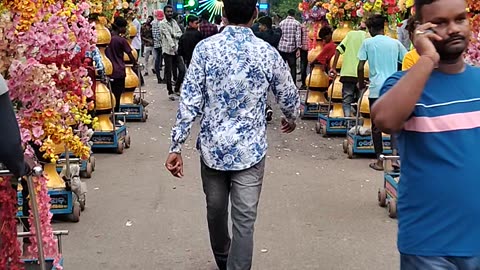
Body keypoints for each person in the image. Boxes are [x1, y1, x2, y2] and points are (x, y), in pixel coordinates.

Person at [165, 0, 300, 269]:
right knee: (245, 218)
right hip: (251, 150)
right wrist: (291, 117)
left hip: (213, 149)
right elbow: (288, 94)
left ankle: (225, 259)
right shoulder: (266, 52)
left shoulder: (205, 49)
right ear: (255, 14)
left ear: (223, 15)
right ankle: (234, 264)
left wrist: (176, 145)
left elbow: (189, 99)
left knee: (215, 211)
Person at [372, 0, 480, 269]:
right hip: (429, 244)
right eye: (440, 23)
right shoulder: (404, 84)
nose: (453, 29)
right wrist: (428, 59)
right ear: (419, 32)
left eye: (459, 19)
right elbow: (385, 119)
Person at [357, 14, 407, 171]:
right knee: (395, 124)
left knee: (376, 126)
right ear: (383, 27)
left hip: (376, 89)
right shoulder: (395, 43)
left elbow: (360, 66)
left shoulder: (368, 43)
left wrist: (360, 83)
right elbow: (404, 61)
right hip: (392, 88)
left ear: (371, 28)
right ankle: (394, 158)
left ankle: (379, 160)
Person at [330, 23, 368, 117]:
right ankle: (359, 121)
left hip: (348, 73)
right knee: (361, 98)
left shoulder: (350, 34)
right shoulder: (369, 37)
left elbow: (338, 49)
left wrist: (333, 68)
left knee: (347, 99)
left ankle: (347, 119)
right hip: (363, 73)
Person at [254, 15, 283, 122]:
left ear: (265, 26)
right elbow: (279, 31)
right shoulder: (276, 35)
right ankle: (267, 106)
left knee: (262, 88)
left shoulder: (259, 36)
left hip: (260, 64)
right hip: (272, 64)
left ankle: (265, 107)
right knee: (269, 88)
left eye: (261, 25)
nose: (259, 27)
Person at [105, 16, 137, 113]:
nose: (125, 30)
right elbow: (130, 54)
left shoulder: (107, 39)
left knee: (109, 94)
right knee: (117, 95)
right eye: (124, 27)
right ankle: (116, 113)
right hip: (119, 71)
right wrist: (134, 63)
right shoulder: (121, 40)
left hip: (108, 71)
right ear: (120, 27)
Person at [159, 5, 186, 100]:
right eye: (168, 12)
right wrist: (173, 47)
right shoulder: (162, 23)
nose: (170, 13)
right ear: (164, 13)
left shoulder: (174, 22)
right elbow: (167, 36)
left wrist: (174, 35)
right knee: (168, 72)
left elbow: (180, 34)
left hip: (177, 50)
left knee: (182, 70)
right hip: (168, 50)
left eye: (171, 11)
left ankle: (177, 88)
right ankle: (170, 91)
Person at [278, 9, 302, 84]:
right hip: (291, 49)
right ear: (294, 14)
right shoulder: (297, 23)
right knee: (293, 67)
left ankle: (281, 83)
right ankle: (293, 84)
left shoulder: (281, 23)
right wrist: (298, 49)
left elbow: (279, 35)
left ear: (288, 14)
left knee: (281, 67)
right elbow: (298, 37)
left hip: (282, 48)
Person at [152, 10, 165, 84]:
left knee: (158, 61)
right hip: (160, 45)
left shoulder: (154, 23)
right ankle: (160, 78)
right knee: (160, 61)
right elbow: (158, 35)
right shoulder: (158, 23)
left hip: (156, 45)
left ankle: (159, 78)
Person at [299, 21, 309, 89]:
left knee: (303, 65)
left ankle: (304, 83)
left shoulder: (302, 25)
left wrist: (299, 46)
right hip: (313, 48)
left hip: (303, 48)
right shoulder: (315, 26)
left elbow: (299, 37)